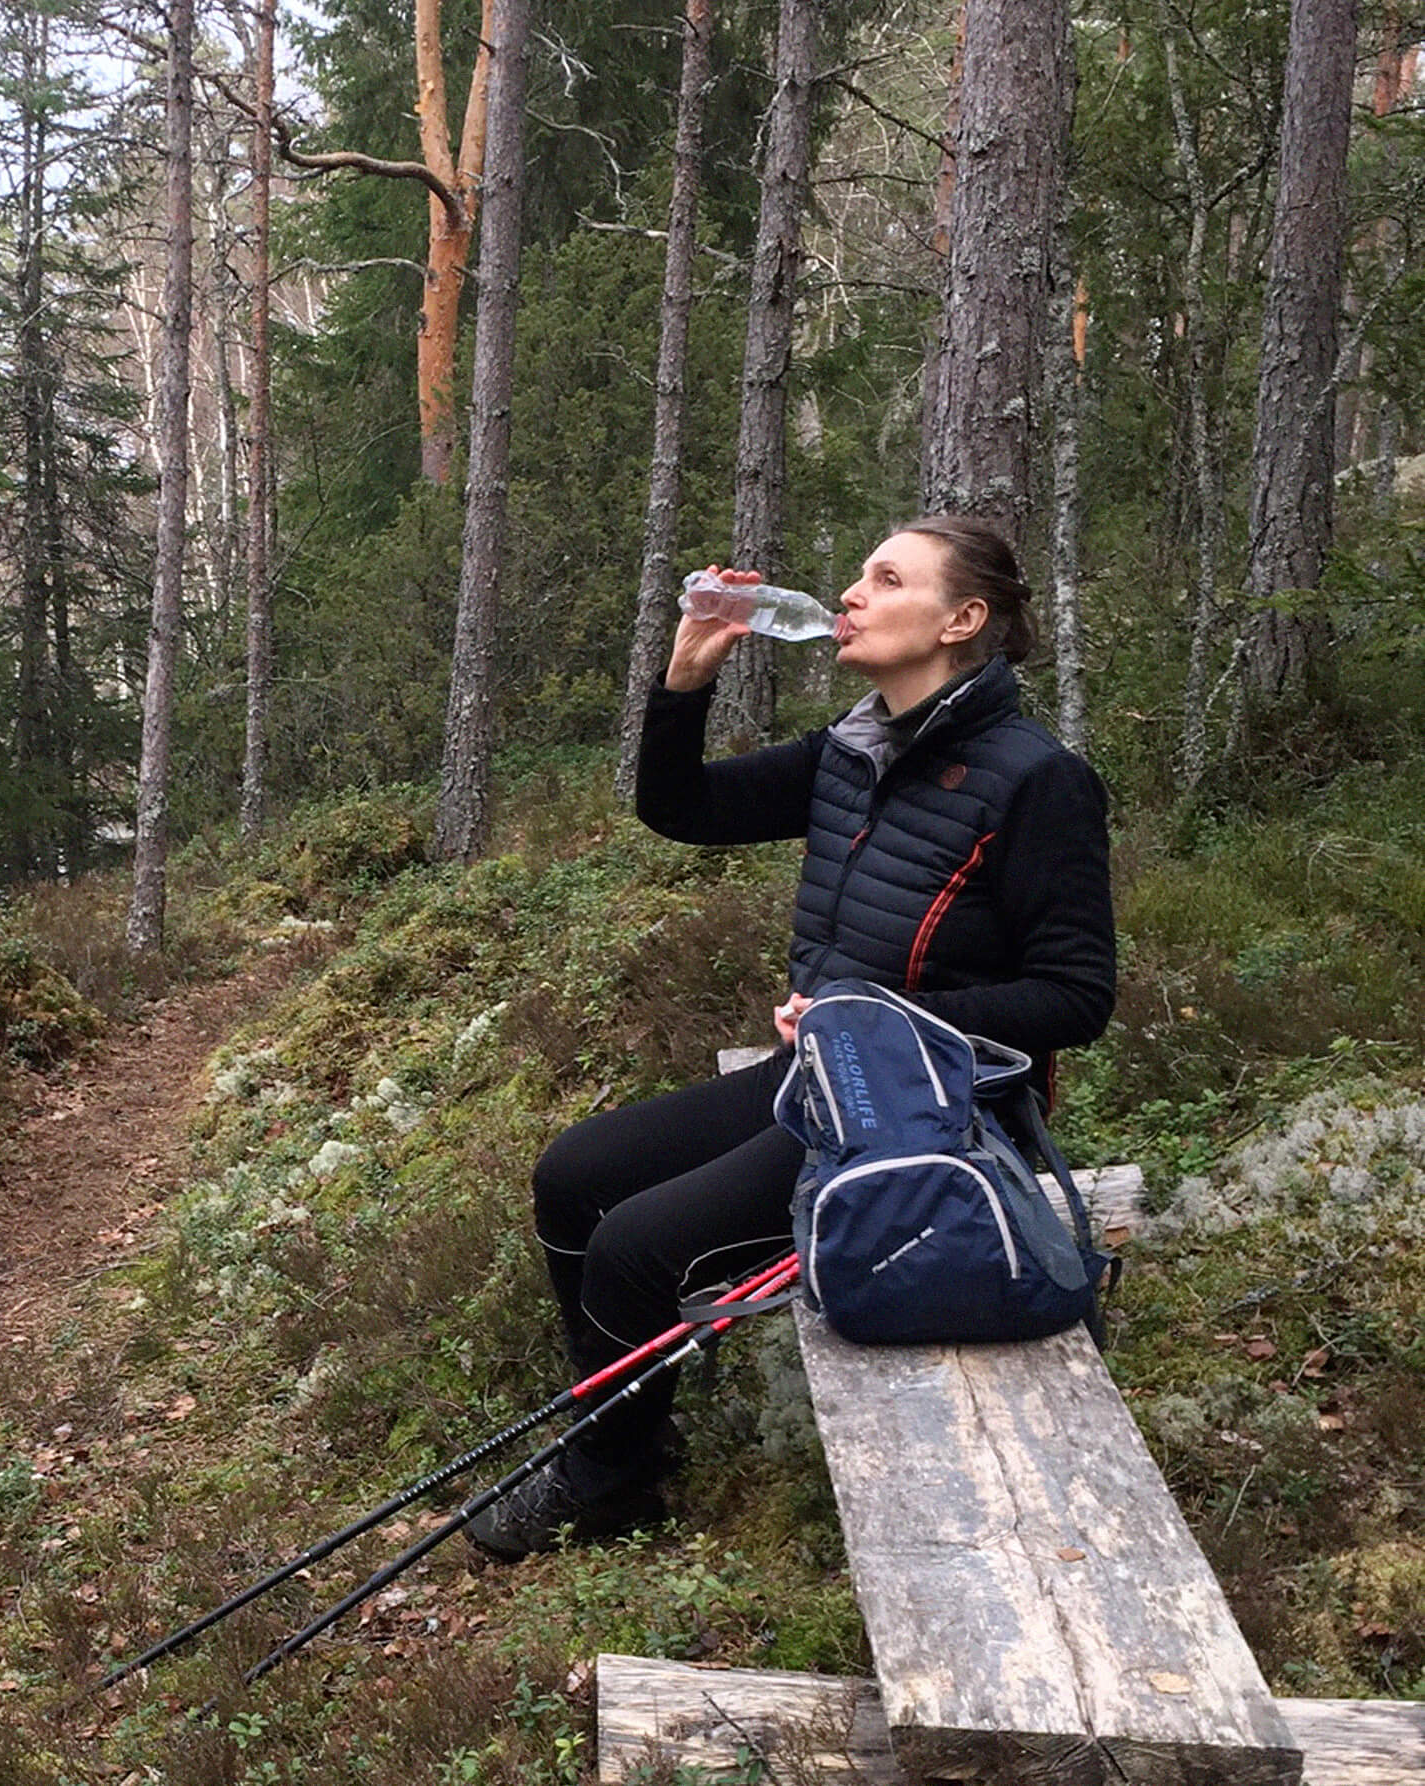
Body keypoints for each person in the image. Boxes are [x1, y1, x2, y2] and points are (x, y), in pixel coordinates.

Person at [465, 514, 1117, 1561]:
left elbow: (1076, 997)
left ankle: (612, 1474)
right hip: (826, 1074)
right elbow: (682, 809)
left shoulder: (1035, 781)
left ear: (962, 619)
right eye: (857, 572)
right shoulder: (854, 750)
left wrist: (875, 1016)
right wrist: (685, 679)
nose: (850, 593)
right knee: (574, 1174)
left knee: (635, 1248)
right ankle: (623, 1422)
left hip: (938, 1119)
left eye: (885, 577)